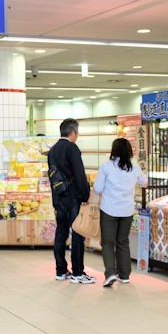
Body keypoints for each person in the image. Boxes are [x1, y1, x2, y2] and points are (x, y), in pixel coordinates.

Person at [93, 138, 147, 287]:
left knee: (108, 243)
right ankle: (124, 275)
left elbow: (97, 188)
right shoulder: (134, 168)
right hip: (127, 211)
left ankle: (110, 273)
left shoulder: (106, 167)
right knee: (123, 242)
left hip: (109, 210)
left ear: (114, 150)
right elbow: (145, 181)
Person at [48, 118, 94, 284]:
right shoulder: (72, 148)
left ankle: (60, 270)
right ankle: (77, 272)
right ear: (73, 132)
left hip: (58, 198)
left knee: (60, 233)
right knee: (78, 233)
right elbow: (79, 175)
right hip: (72, 198)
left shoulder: (52, 150)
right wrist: (85, 195)